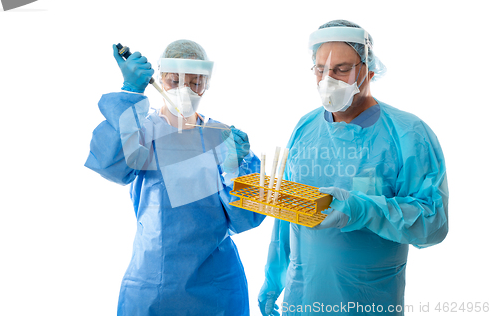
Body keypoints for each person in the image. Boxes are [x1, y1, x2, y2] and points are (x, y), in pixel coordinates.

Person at [258, 20, 449, 316]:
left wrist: (363, 209)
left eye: (341, 69)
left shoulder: (408, 135)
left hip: (367, 302)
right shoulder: (305, 127)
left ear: (368, 69)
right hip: (302, 299)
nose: (328, 80)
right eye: (321, 69)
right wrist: (273, 280)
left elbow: (432, 223)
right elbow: (287, 211)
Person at [85, 39, 265, 315]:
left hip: (217, 289)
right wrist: (130, 92)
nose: (186, 90)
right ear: (160, 80)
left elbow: (246, 219)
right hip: (150, 287)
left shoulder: (223, 139)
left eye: (195, 82)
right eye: (174, 81)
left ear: (206, 84)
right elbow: (110, 166)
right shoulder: (142, 133)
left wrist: (234, 167)